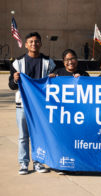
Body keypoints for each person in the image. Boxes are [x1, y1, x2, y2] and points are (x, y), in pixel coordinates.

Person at [8, 32, 56, 175]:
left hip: (41, 106)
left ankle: (38, 162)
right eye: (31, 42)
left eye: (36, 41)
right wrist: (15, 79)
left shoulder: (49, 62)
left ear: (40, 43)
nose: (34, 44)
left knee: (39, 135)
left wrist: (53, 78)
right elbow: (12, 85)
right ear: (26, 44)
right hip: (23, 105)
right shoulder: (17, 63)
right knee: (23, 136)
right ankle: (23, 163)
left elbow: (55, 84)